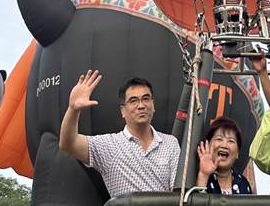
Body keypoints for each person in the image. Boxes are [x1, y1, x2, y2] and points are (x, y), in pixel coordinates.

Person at [59, 69, 180, 197]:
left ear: (153, 105)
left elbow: (178, 192)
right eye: (133, 101)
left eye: (146, 99)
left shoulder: (170, 143)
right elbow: (68, 143)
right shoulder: (109, 146)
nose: (141, 105)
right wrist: (73, 109)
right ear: (123, 111)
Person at [196, 116, 252, 195]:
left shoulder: (243, 184)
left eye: (231, 141)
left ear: (237, 153)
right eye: (219, 139)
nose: (224, 145)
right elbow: (197, 205)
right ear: (208, 145)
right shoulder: (195, 176)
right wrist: (204, 175)